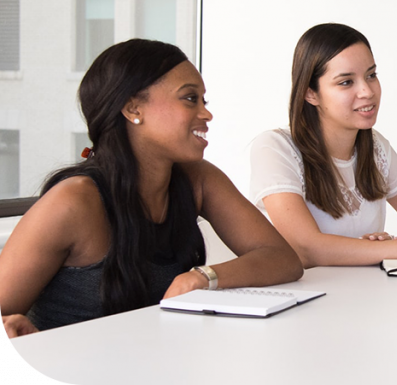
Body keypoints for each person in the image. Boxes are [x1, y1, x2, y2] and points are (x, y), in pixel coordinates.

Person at [0, 39, 304, 338]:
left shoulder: (197, 179)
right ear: (134, 109)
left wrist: (203, 277)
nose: (206, 114)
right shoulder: (74, 201)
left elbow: (282, 259)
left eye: (203, 100)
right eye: (189, 98)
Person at [249, 23, 397, 267]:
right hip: (306, 300)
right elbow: (307, 249)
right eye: (346, 82)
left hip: (367, 296)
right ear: (311, 94)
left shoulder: (376, 146)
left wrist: (390, 246)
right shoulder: (275, 148)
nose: (367, 91)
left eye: (371, 75)